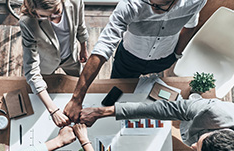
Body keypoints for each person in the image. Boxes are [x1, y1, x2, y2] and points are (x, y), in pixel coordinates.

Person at [64, 0, 207, 123]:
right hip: (128, 59)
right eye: (150, 2)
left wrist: (176, 54)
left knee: (151, 95)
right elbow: (103, 47)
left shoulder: (194, 2)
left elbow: (191, 24)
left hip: (164, 58)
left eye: (158, 6)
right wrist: (77, 98)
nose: (152, 7)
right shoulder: (131, 5)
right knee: (118, 90)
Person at [78, 98, 234, 151]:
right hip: (196, 116)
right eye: (200, 140)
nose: (192, 145)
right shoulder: (215, 111)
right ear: (221, 129)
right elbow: (163, 109)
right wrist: (104, 112)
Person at [20, 0, 89, 127]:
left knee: (80, 82)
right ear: (34, 11)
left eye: (57, 12)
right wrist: (53, 110)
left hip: (71, 57)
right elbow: (31, 69)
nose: (53, 20)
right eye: (44, 17)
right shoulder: (27, 23)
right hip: (46, 63)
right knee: (44, 92)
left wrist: (83, 48)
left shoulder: (76, 2)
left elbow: (80, 26)